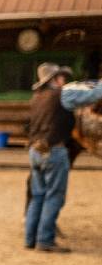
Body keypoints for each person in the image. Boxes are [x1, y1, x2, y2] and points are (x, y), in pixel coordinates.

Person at [25, 63, 102, 253]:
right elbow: (94, 95)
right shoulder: (63, 95)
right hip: (54, 151)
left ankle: (30, 239)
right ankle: (45, 240)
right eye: (61, 77)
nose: (64, 80)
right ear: (53, 79)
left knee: (38, 196)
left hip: (35, 151)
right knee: (54, 197)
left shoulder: (36, 98)